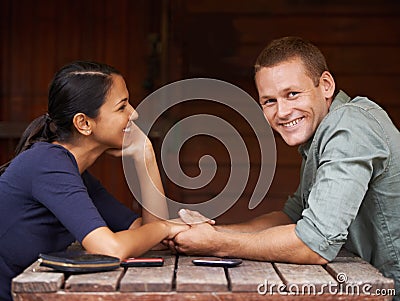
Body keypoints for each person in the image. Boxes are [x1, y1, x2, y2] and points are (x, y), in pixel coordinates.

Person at [169, 37, 400, 297]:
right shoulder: (324, 132)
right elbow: (292, 216)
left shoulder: (348, 128)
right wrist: (210, 231)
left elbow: (314, 243)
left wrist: (215, 243)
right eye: (269, 101)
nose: (282, 112)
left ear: (326, 85)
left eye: (292, 94)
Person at [0, 61, 189, 300]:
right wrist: (166, 227)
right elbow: (110, 249)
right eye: (122, 107)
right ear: (84, 123)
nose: (134, 113)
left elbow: (147, 236)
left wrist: (146, 157)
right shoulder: (47, 165)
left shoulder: (73, 172)